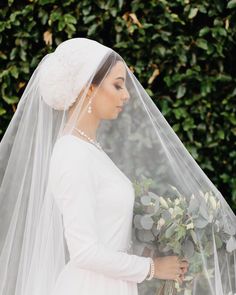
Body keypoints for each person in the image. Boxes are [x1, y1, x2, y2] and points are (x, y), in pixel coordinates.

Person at [0, 38, 235, 295]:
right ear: (89, 88)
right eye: (118, 85)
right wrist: (152, 267)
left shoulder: (91, 149)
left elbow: (106, 233)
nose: (126, 95)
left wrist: (151, 246)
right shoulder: (72, 153)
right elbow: (84, 251)